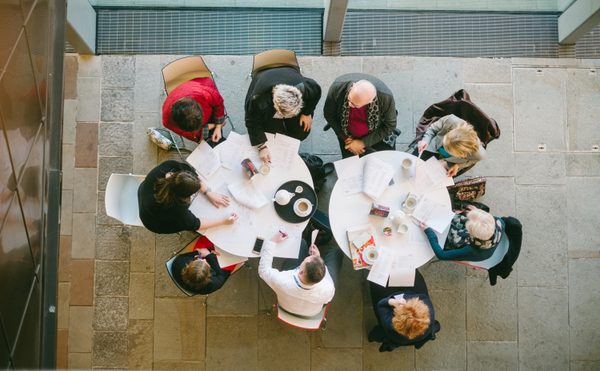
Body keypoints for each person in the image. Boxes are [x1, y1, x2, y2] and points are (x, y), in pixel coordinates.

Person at [245, 66, 321, 163]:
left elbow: (317, 91)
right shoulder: (258, 99)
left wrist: (307, 113)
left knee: (300, 131)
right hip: (266, 92)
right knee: (272, 134)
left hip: (288, 86)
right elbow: (251, 121)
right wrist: (261, 147)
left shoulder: (304, 87)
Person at [138, 160, 237, 234]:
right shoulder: (176, 208)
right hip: (152, 221)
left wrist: (208, 192)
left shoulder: (169, 167)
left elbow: (191, 174)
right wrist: (224, 221)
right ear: (184, 196)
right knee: (184, 225)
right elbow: (196, 224)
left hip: (144, 191)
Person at [258, 232, 343, 317]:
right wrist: (318, 257)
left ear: (301, 272)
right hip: (311, 313)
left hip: (286, 307)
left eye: (305, 260)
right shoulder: (328, 288)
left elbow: (263, 270)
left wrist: (272, 242)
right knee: (337, 251)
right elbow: (327, 300)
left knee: (301, 243)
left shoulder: (282, 280)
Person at [323, 73, 399, 158]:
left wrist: (362, 143)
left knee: (382, 164)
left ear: (370, 101)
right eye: (349, 100)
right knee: (352, 166)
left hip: (377, 136)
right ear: (352, 87)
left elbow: (390, 125)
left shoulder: (385, 97)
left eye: (355, 105)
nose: (350, 105)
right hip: (347, 136)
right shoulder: (337, 88)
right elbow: (329, 114)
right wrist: (345, 138)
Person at [368, 271, 440, 351]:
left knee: (377, 281)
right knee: (413, 274)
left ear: (396, 321)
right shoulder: (430, 311)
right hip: (420, 336)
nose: (403, 301)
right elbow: (422, 296)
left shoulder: (389, 324)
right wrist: (406, 298)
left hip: (396, 338)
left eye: (402, 307)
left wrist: (391, 301)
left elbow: (381, 305)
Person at [420, 206, 504, 261]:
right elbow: (483, 219)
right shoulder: (499, 222)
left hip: (463, 245)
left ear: (470, 233)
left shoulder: (470, 250)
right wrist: (476, 211)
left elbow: (442, 255)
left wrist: (429, 232)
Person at [416, 114, 486, 177]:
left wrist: (458, 165)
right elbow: (433, 128)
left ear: (463, 154)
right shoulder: (451, 121)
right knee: (414, 164)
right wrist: (425, 140)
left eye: (449, 150)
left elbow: (472, 161)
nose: (443, 148)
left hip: (449, 162)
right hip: (433, 146)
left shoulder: (479, 155)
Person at [162, 77, 227, 144]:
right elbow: (193, 135)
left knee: (214, 142)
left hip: (201, 86)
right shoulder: (168, 122)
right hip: (201, 127)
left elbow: (218, 103)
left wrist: (218, 126)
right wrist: (202, 139)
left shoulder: (203, 93)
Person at [171, 236, 244, 295]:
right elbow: (222, 275)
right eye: (206, 263)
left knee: (205, 241)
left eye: (202, 260)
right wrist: (210, 256)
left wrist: (205, 255)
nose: (204, 260)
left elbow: (193, 253)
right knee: (237, 260)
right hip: (214, 265)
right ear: (209, 275)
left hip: (183, 273)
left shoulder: (179, 262)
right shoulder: (211, 285)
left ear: (188, 265)